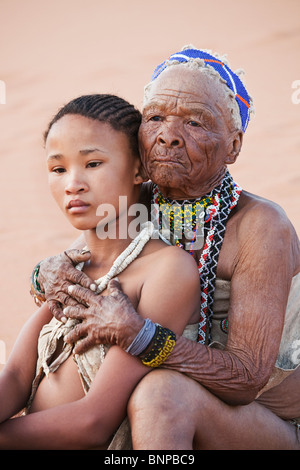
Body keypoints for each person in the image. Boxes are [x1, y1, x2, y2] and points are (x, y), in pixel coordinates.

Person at [31, 47, 300, 450]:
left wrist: (141, 336)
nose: (169, 135)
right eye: (155, 117)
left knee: (160, 395)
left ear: (233, 146)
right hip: (177, 392)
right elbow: (76, 270)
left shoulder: (261, 227)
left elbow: (245, 378)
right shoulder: (138, 197)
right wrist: (43, 274)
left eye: (195, 122)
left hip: (268, 421)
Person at [0, 94, 201, 449]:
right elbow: (16, 377)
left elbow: (95, 420)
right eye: (58, 168)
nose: (72, 184)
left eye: (93, 164)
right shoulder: (68, 269)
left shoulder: (167, 271)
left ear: (139, 168)